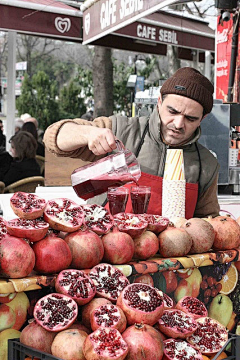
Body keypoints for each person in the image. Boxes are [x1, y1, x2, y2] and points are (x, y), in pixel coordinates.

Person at [43, 67, 220, 218]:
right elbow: (53, 137)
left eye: (190, 118)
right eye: (172, 111)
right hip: (105, 248)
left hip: (168, 257)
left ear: (202, 118)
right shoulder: (122, 129)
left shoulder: (206, 165)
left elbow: (206, 222)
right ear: (159, 102)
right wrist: (88, 133)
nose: (178, 124)